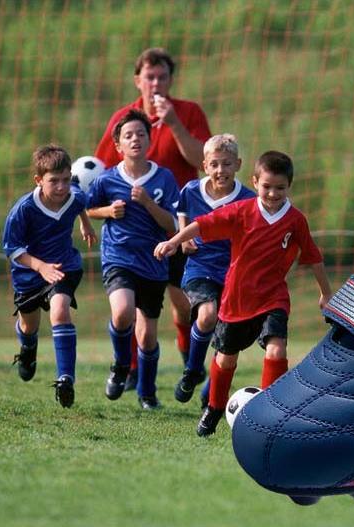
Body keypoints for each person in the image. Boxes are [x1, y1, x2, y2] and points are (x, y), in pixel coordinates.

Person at [154, 151, 333, 436]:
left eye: (280, 188)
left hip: (273, 297)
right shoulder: (242, 211)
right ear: (254, 182)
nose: (273, 193)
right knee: (226, 360)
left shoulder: (295, 220)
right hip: (236, 299)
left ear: (289, 186)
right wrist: (174, 242)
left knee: (276, 349)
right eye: (266, 186)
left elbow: (313, 257)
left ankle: (270, 416)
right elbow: (204, 224)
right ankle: (213, 409)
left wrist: (325, 293)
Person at [95, 47, 212, 387]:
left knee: (183, 298)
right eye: (150, 77)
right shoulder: (125, 118)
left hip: (177, 221)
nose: (156, 83)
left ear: (170, 80)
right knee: (130, 300)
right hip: (134, 229)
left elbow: (200, 161)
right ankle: (130, 369)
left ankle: (190, 358)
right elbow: (102, 169)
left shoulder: (187, 112)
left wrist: (173, 122)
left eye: (162, 77)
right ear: (138, 81)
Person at [87, 109, 180, 410]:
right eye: (128, 135)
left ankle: (147, 392)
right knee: (123, 311)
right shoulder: (106, 179)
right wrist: (107, 212)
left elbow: (173, 225)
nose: (135, 139)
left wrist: (148, 203)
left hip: (153, 263)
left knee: (148, 335)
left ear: (150, 140)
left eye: (141, 134)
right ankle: (119, 366)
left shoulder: (164, 178)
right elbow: (88, 209)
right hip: (119, 257)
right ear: (118, 146)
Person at [2, 144, 97, 408]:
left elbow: (80, 203)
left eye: (66, 180)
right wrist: (40, 266)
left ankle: (65, 378)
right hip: (28, 275)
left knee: (60, 310)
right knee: (29, 326)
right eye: (53, 181)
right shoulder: (23, 209)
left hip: (65, 266)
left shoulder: (74, 196)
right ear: (38, 180)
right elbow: (13, 249)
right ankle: (28, 349)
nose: (61, 187)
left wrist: (85, 223)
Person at [172, 134, 256, 406]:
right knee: (206, 315)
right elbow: (182, 211)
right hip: (200, 267)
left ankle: (211, 392)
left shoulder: (247, 199)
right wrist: (184, 237)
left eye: (227, 164)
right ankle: (192, 370)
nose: (221, 170)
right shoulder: (191, 190)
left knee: (227, 337)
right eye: (215, 164)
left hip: (235, 273)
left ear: (238, 164)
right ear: (205, 166)